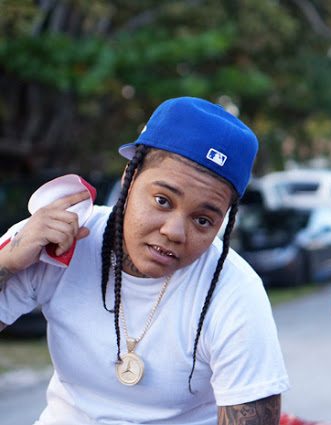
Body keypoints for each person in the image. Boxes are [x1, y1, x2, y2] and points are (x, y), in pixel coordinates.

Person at [0, 97, 290, 424]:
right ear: (130, 176)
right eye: (163, 200)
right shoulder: (63, 239)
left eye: (203, 220)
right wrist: (7, 261)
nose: (174, 232)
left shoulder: (234, 291)